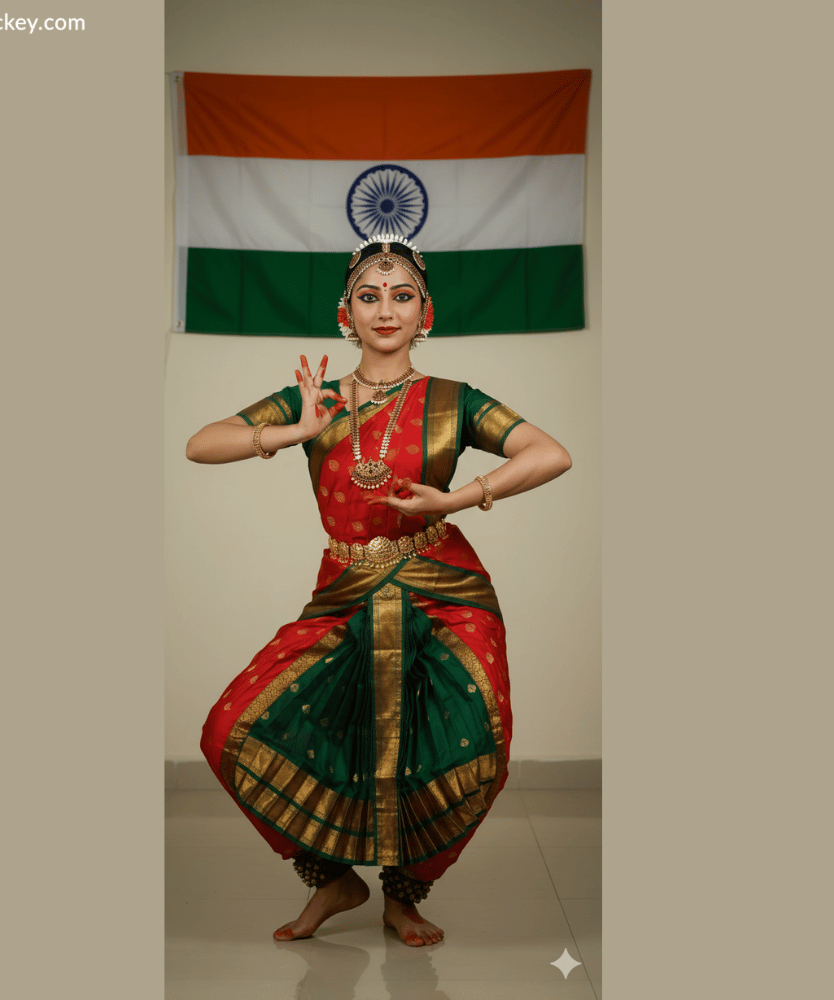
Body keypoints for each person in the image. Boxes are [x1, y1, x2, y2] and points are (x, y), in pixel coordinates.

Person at [187, 234, 572, 946]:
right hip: (346, 588)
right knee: (229, 730)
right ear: (346, 313)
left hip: (444, 585)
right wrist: (289, 431)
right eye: (369, 296)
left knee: (473, 747)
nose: (385, 309)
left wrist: (456, 501)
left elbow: (551, 453)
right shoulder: (319, 399)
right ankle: (331, 879)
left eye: (401, 296)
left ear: (427, 313)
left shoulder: (455, 401)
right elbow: (201, 442)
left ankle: (405, 893)